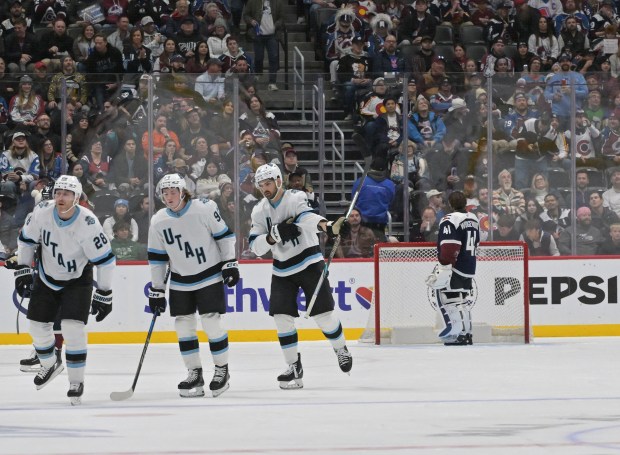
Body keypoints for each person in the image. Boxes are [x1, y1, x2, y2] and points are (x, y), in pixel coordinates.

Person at [248, 163, 353, 389]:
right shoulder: (259, 211)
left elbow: (307, 218)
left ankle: (340, 348)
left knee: (323, 315)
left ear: (278, 181)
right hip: (282, 268)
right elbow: (255, 247)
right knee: (281, 318)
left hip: (309, 262)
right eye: (261, 185)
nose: (265, 188)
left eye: (268, 183)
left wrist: (328, 227)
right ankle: (293, 366)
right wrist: (273, 236)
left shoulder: (295, 197)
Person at [14, 175, 115, 405]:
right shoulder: (42, 211)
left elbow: (106, 260)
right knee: (37, 327)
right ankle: (50, 364)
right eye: (58, 192)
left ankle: (76, 381)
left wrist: (105, 293)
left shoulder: (88, 223)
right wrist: (22, 269)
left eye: (66, 194)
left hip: (77, 280)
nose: (60, 197)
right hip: (47, 276)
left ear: (76, 198)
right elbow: (26, 240)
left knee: (72, 328)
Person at [147, 173, 239, 398]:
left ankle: (221, 370)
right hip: (180, 280)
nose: (169, 197)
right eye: (165, 193)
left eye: (173, 192)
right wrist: (157, 289)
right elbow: (157, 258)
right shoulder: (158, 220)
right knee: (183, 326)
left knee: (211, 322)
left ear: (183, 191)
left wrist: (229, 263)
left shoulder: (204, 208)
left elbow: (224, 236)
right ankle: (194, 373)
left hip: (209, 275)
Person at [425, 190, 480, 346]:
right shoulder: (473, 218)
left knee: (451, 301)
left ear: (449, 204)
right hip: (470, 265)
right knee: (463, 301)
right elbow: (477, 242)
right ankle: (467, 334)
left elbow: (449, 247)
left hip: (455, 267)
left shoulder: (450, 219)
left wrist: (444, 265)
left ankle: (458, 334)